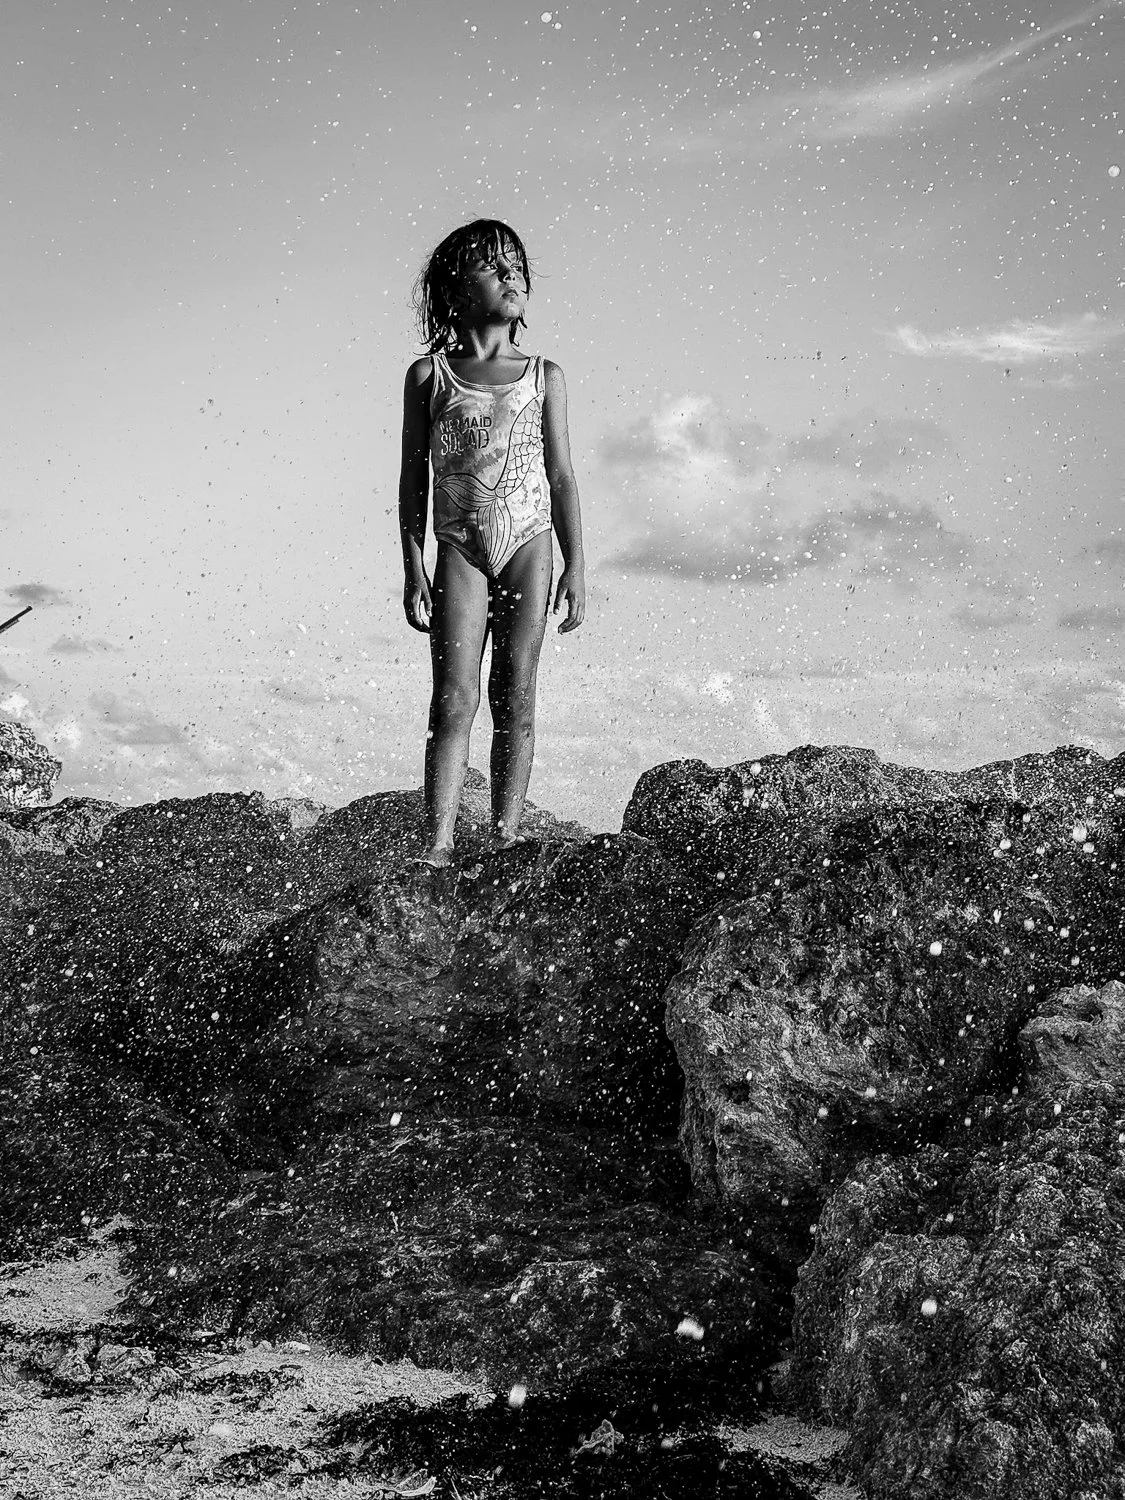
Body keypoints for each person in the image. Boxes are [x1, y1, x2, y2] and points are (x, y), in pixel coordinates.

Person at [399, 219, 586, 867]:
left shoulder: (543, 375)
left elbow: (561, 476)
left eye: (516, 265)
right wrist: (411, 566)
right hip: (458, 546)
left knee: (515, 693)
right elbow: (412, 477)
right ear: (454, 290)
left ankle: (505, 835)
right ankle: (439, 843)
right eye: (491, 266)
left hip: (530, 544)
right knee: (453, 698)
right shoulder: (430, 377)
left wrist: (577, 567)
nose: (510, 276)